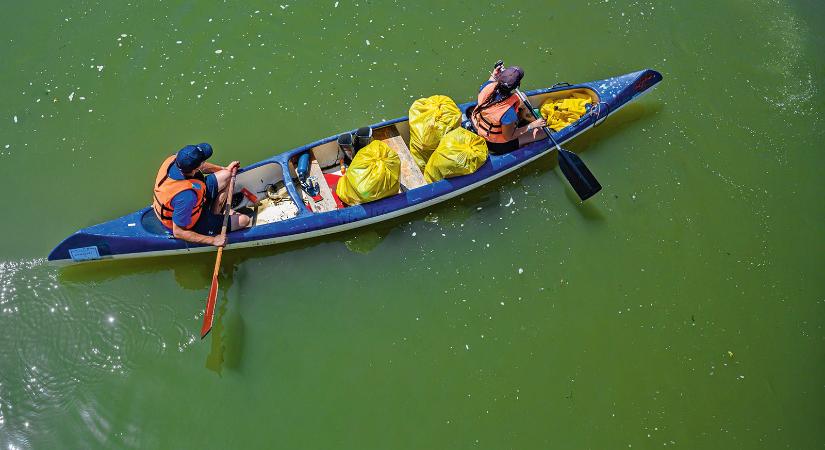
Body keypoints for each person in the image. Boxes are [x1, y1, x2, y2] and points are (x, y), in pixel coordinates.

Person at [152, 143, 250, 247]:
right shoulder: (186, 196)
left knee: (226, 174)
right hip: (190, 223)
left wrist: (224, 168)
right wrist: (213, 240)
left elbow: (202, 167)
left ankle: (214, 213)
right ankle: (213, 221)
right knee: (245, 220)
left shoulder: (175, 160)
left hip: (193, 200)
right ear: (195, 169)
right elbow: (178, 232)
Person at [470, 65, 547, 154]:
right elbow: (508, 137)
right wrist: (531, 125)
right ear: (518, 85)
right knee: (543, 133)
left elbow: (491, 81)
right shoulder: (508, 112)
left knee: (522, 97)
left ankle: (527, 116)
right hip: (494, 143)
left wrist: (494, 74)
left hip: (477, 125)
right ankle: (523, 141)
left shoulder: (486, 87)